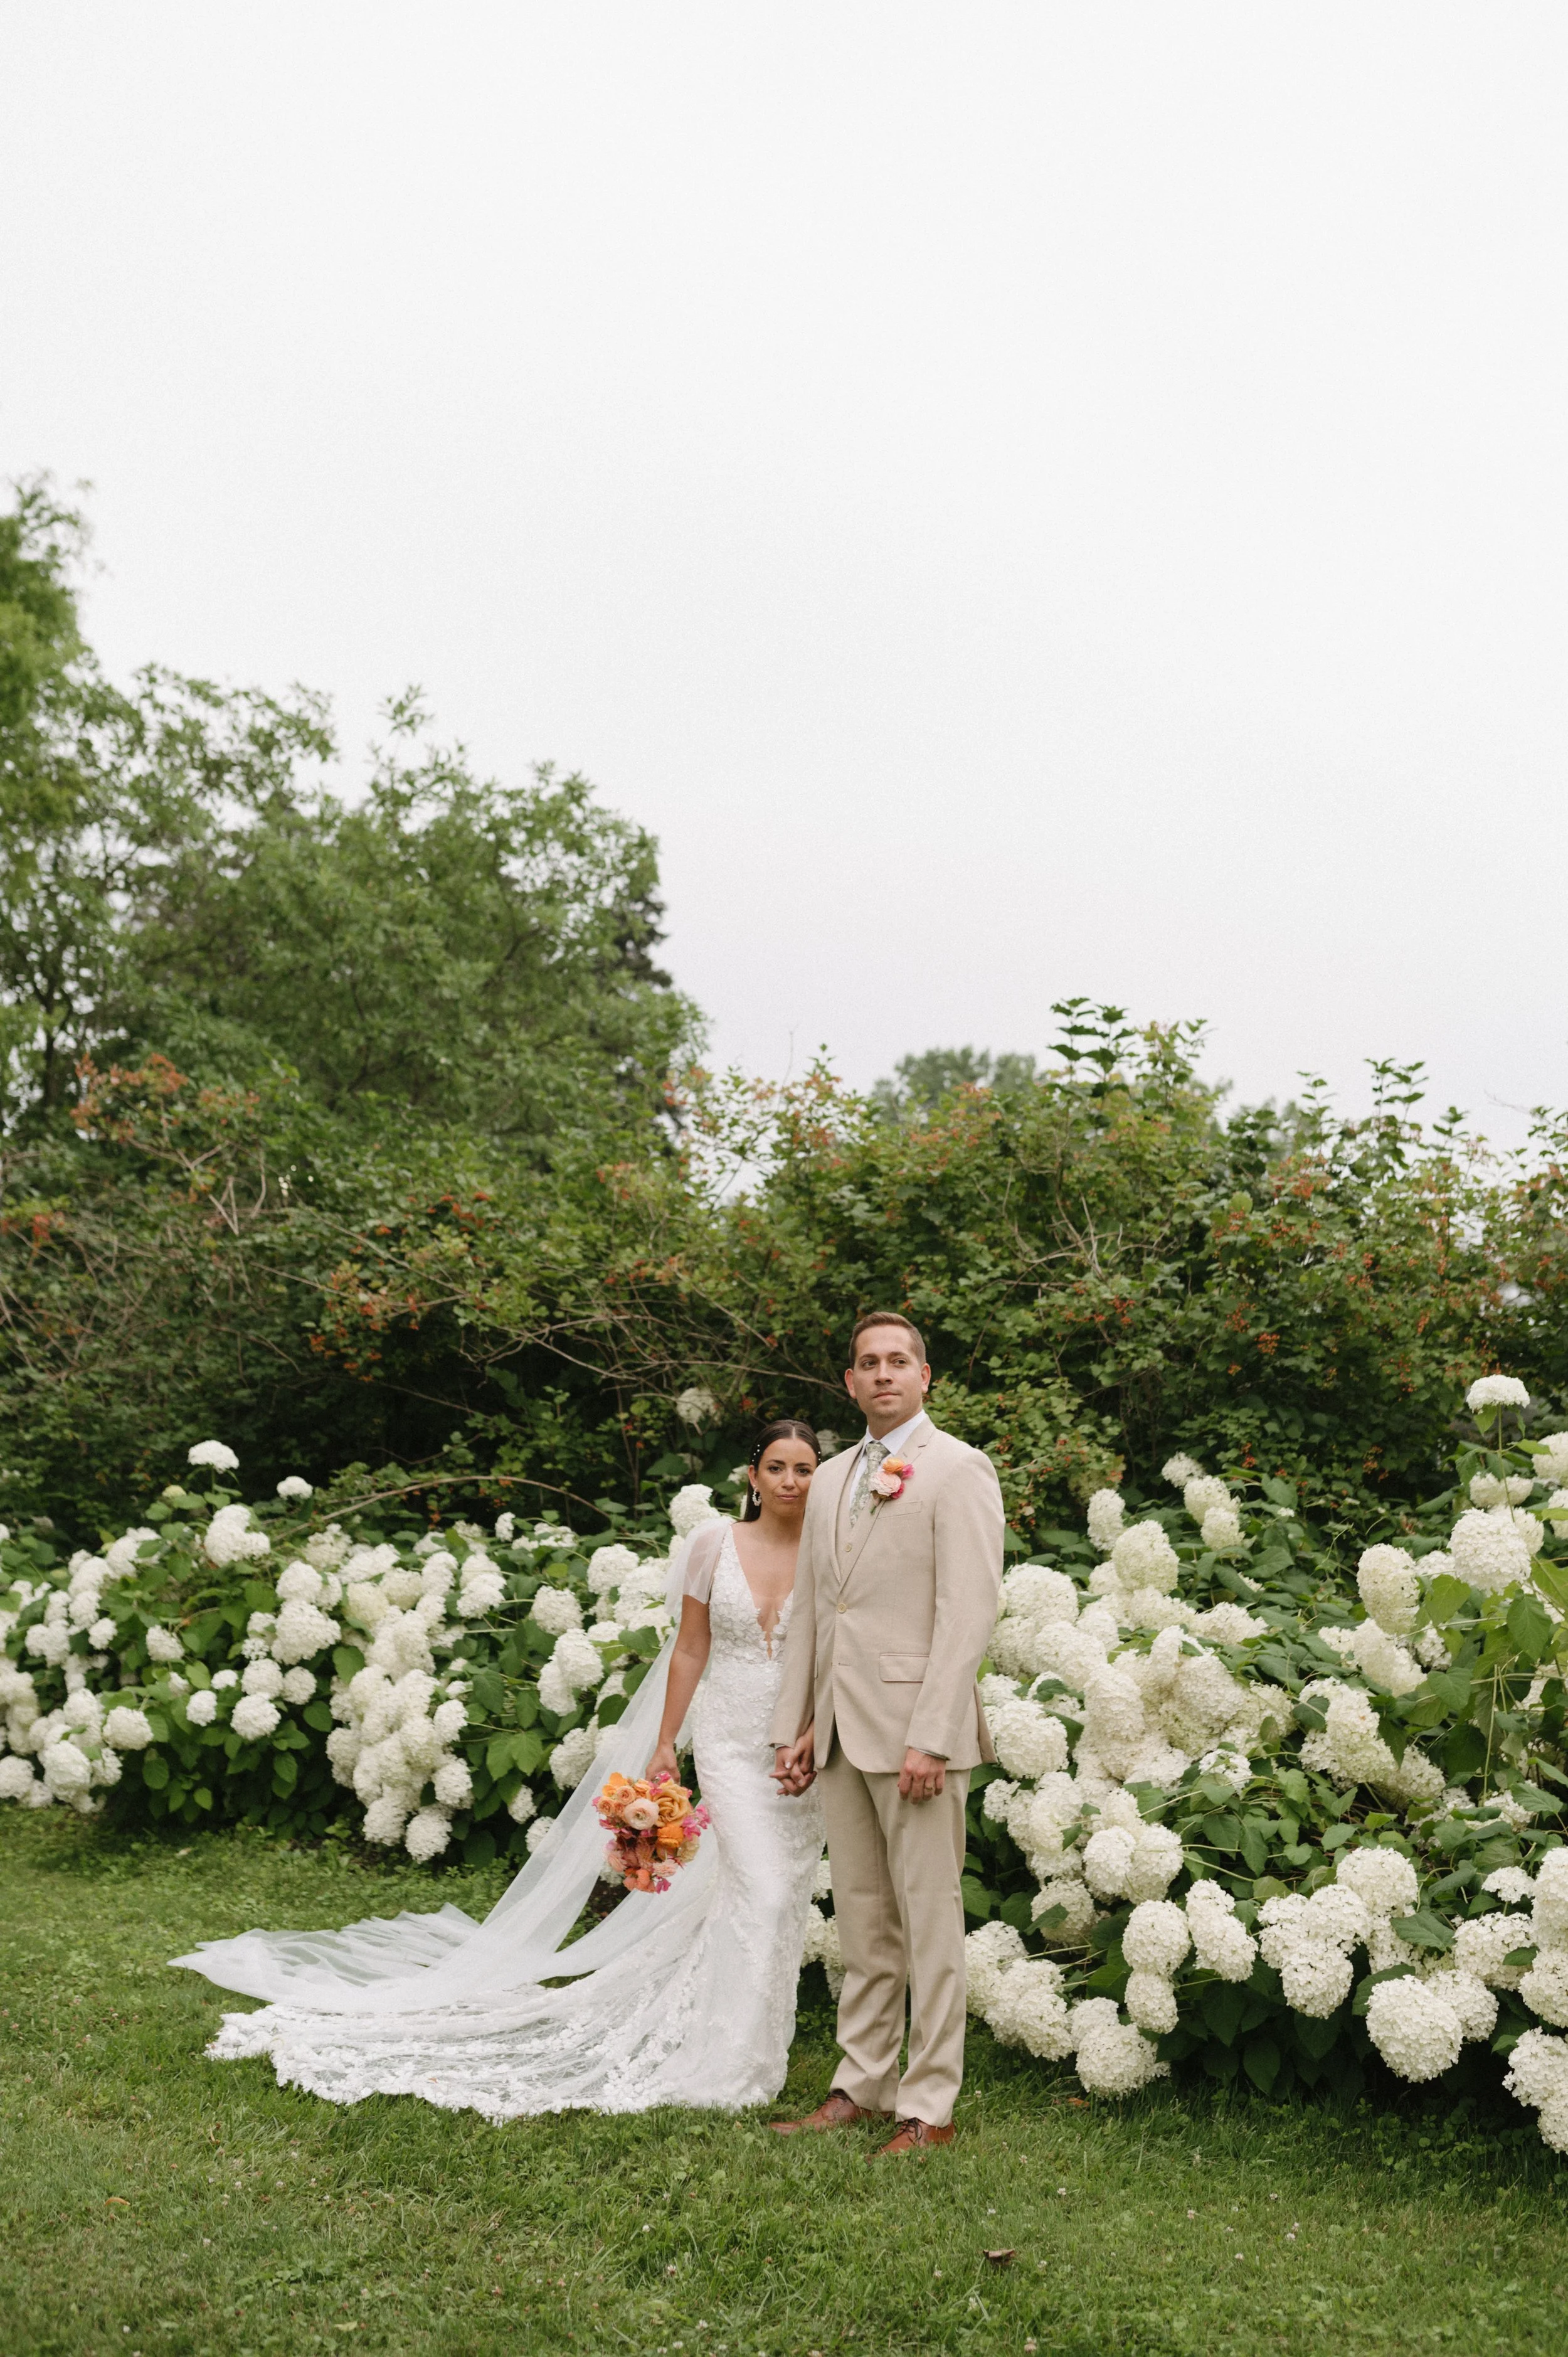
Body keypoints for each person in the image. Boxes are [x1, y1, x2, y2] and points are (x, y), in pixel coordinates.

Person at [170, 1422, 826, 2117]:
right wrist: (666, 1740)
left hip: (798, 1747)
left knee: (775, 1896)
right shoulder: (712, 1546)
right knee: (759, 1888)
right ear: (751, 1477)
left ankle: (752, 2042)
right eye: (777, 1466)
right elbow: (691, 1649)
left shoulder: (831, 1552)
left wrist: (816, 1731)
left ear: (821, 1477)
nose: (790, 1480)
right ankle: (729, 2065)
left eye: (805, 1468)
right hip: (727, 1740)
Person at [770, 1314, 1004, 2154]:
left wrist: (934, 1735)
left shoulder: (959, 1469)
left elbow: (969, 1609)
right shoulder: (830, 1476)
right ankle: (861, 2082)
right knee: (865, 1919)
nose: (883, 1374)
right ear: (849, 1381)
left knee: (928, 1919)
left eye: (897, 1361)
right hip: (839, 1730)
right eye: (868, 1363)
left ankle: (929, 2105)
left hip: (916, 1734)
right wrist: (794, 1724)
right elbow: (814, 1612)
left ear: (925, 1375)